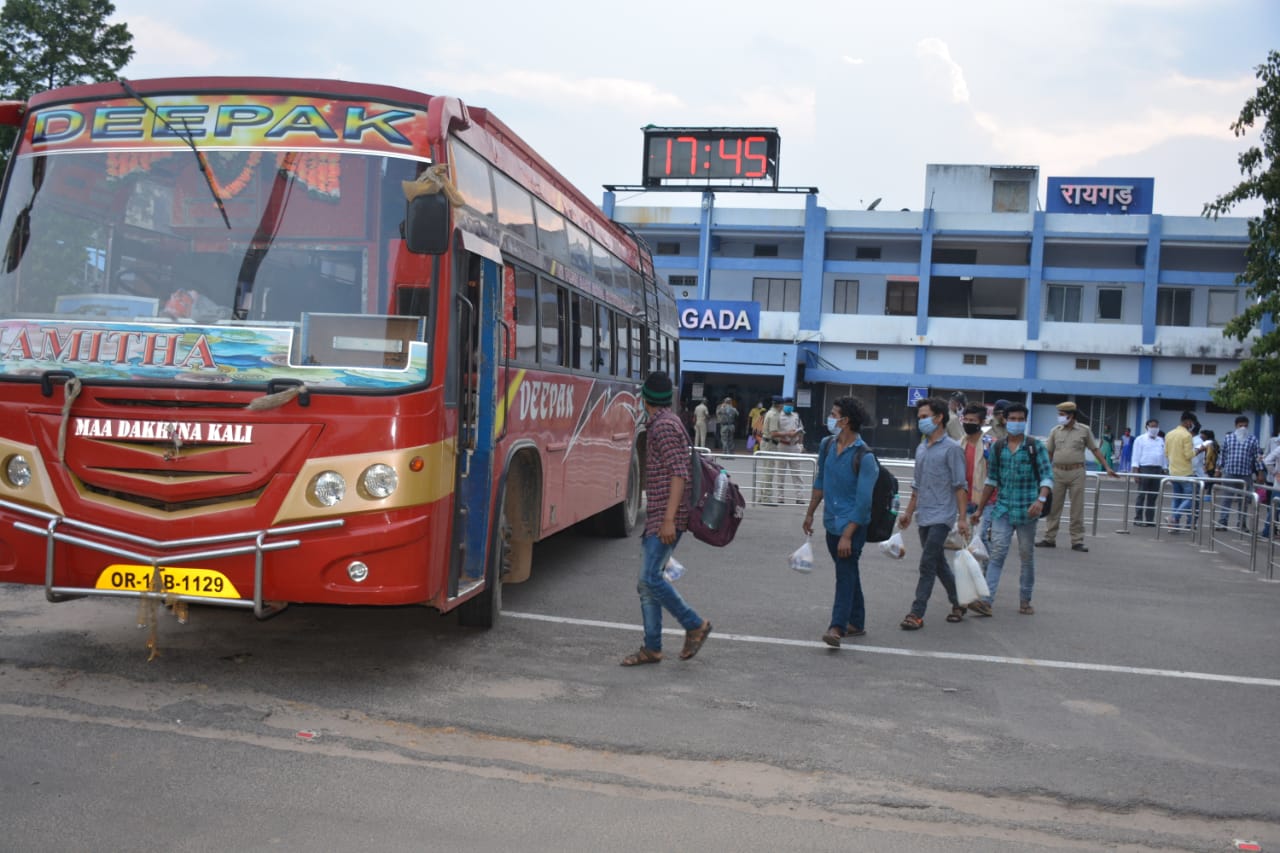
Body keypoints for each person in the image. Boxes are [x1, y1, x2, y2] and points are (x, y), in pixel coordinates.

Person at [620, 371, 711, 666]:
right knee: (647, 583)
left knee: (649, 579)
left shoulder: (664, 427)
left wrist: (669, 520)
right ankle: (653, 647)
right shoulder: (664, 422)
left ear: (645, 398)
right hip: (660, 513)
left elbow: (679, 474)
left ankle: (694, 624)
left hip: (665, 515)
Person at [803, 395, 876, 647]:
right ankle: (857, 621)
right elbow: (821, 481)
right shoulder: (826, 445)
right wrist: (810, 512)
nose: (830, 419)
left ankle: (837, 626)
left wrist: (848, 534)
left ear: (845, 421)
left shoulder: (865, 457)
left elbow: (864, 502)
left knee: (844, 573)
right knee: (848, 571)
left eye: (833, 415)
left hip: (853, 526)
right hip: (830, 522)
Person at [969, 402, 1052, 616]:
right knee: (996, 554)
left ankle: (1025, 599)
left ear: (1025, 421)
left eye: (1020, 419)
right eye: (1012, 419)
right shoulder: (998, 447)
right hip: (1002, 509)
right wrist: (979, 509)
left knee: (1026, 555)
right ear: (1004, 420)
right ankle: (986, 601)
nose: (1017, 423)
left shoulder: (1035, 446)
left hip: (1028, 511)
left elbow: (1046, 476)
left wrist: (1041, 500)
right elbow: (992, 479)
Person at [896, 397, 969, 630]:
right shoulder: (921, 448)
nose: (921, 421)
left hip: (943, 516)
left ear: (939, 418)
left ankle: (916, 613)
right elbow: (917, 485)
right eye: (919, 418)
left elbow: (960, 486)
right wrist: (908, 512)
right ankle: (959, 601)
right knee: (937, 562)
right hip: (924, 514)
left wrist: (962, 518)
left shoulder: (952, 449)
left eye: (925, 417)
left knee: (927, 562)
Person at [1039, 401, 1118, 551]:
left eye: (1062, 415)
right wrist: (1043, 472)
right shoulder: (1055, 431)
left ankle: (1077, 540)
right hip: (1057, 472)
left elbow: (1095, 449)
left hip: (1077, 472)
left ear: (1071, 415)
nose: (1059, 417)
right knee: (1054, 507)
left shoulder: (1084, 430)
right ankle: (1049, 538)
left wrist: (1107, 467)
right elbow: (1049, 453)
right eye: (1059, 414)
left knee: (1077, 508)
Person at [1215, 416, 1265, 532]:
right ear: (1236, 426)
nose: (1243, 428)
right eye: (1240, 426)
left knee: (1244, 500)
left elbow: (1257, 457)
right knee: (1226, 498)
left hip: (1245, 474)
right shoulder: (1228, 438)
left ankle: (1241, 524)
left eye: (1245, 426)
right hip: (1229, 473)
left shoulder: (1252, 439)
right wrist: (1218, 469)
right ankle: (1223, 522)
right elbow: (1222, 455)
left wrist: (1260, 472)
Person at [959, 403, 991, 534]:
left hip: (986, 500)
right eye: (965, 419)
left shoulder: (989, 445)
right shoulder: (960, 443)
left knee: (981, 538)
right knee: (966, 538)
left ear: (982, 422)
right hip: (965, 498)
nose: (967, 423)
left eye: (972, 420)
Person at [1163, 411, 1197, 532]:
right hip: (1185, 472)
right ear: (1188, 422)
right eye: (1191, 423)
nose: (1191, 425)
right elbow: (1188, 455)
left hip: (1173, 471)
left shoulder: (1169, 434)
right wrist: (1198, 450)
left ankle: (1173, 526)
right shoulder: (1187, 435)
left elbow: (1166, 453)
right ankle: (1173, 517)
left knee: (1176, 498)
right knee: (1190, 498)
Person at [1129, 417, 1165, 528]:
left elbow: (1163, 456)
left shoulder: (1161, 440)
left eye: (1156, 426)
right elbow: (1136, 455)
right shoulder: (1140, 439)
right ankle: (1138, 518)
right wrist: (1136, 471)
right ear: (1147, 427)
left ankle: (1150, 519)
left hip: (1157, 469)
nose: (1154, 428)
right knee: (1141, 494)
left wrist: (1165, 469)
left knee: (1153, 496)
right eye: (1152, 426)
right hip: (1144, 468)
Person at [771, 396, 807, 503]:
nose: (789, 407)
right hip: (783, 445)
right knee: (780, 472)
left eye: (791, 405)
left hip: (794, 446)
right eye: (787, 405)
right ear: (783, 405)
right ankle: (780, 496)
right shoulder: (778, 416)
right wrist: (787, 434)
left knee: (797, 472)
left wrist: (801, 444)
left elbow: (801, 431)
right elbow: (774, 432)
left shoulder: (796, 416)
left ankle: (799, 497)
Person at [758, 397, 784, 503]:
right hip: (770, 443)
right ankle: (766, 497)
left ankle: (761, 495)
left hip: (767, 442)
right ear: (779, 405)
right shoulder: (774, 415)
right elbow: (774, 433)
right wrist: (788, 434)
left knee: (766, 470)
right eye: (783, 404)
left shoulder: (770, 412)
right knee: (769, 471)